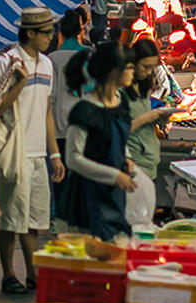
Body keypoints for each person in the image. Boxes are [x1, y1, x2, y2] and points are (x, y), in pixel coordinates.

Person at [0, 7, 65, 295]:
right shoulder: (5, 63)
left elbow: (46, 110)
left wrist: (54, 154)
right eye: (46, 33)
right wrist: (19, 82)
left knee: (33, 220)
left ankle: (33, 275)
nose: (51, 37)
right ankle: (9, 275)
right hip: (13, 149)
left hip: (38, 153)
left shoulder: (46, 65)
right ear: (30, 33)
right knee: (12, 217)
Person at [60, 41, 145, 240]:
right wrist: (113, 175)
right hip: (88, 197)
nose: (133, 72)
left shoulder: (121, 101)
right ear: (115, 71)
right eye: (130, 67)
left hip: (114, 193)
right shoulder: (85, 110)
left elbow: (119, 140)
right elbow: (73, 158)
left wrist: (127, 158)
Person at [124, 39, 175, 226]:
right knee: (137, 222)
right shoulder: (121, 92)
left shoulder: (143, 87)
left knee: (146, 221)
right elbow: (119, 128)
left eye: (151, 68)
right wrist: (149, 116)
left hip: (150, 159)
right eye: (144, 67)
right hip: (134, 161)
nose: (148, 72)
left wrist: (160, 118)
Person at [48, 10, 85, 225]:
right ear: (81, 30)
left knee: (60, 175)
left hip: (58, 127)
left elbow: (50, 98)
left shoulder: (52, 59)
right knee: (80, 173)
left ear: (60, 31)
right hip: (83, 126)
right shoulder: (89, 54)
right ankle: (78, 217)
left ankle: (60, 218)